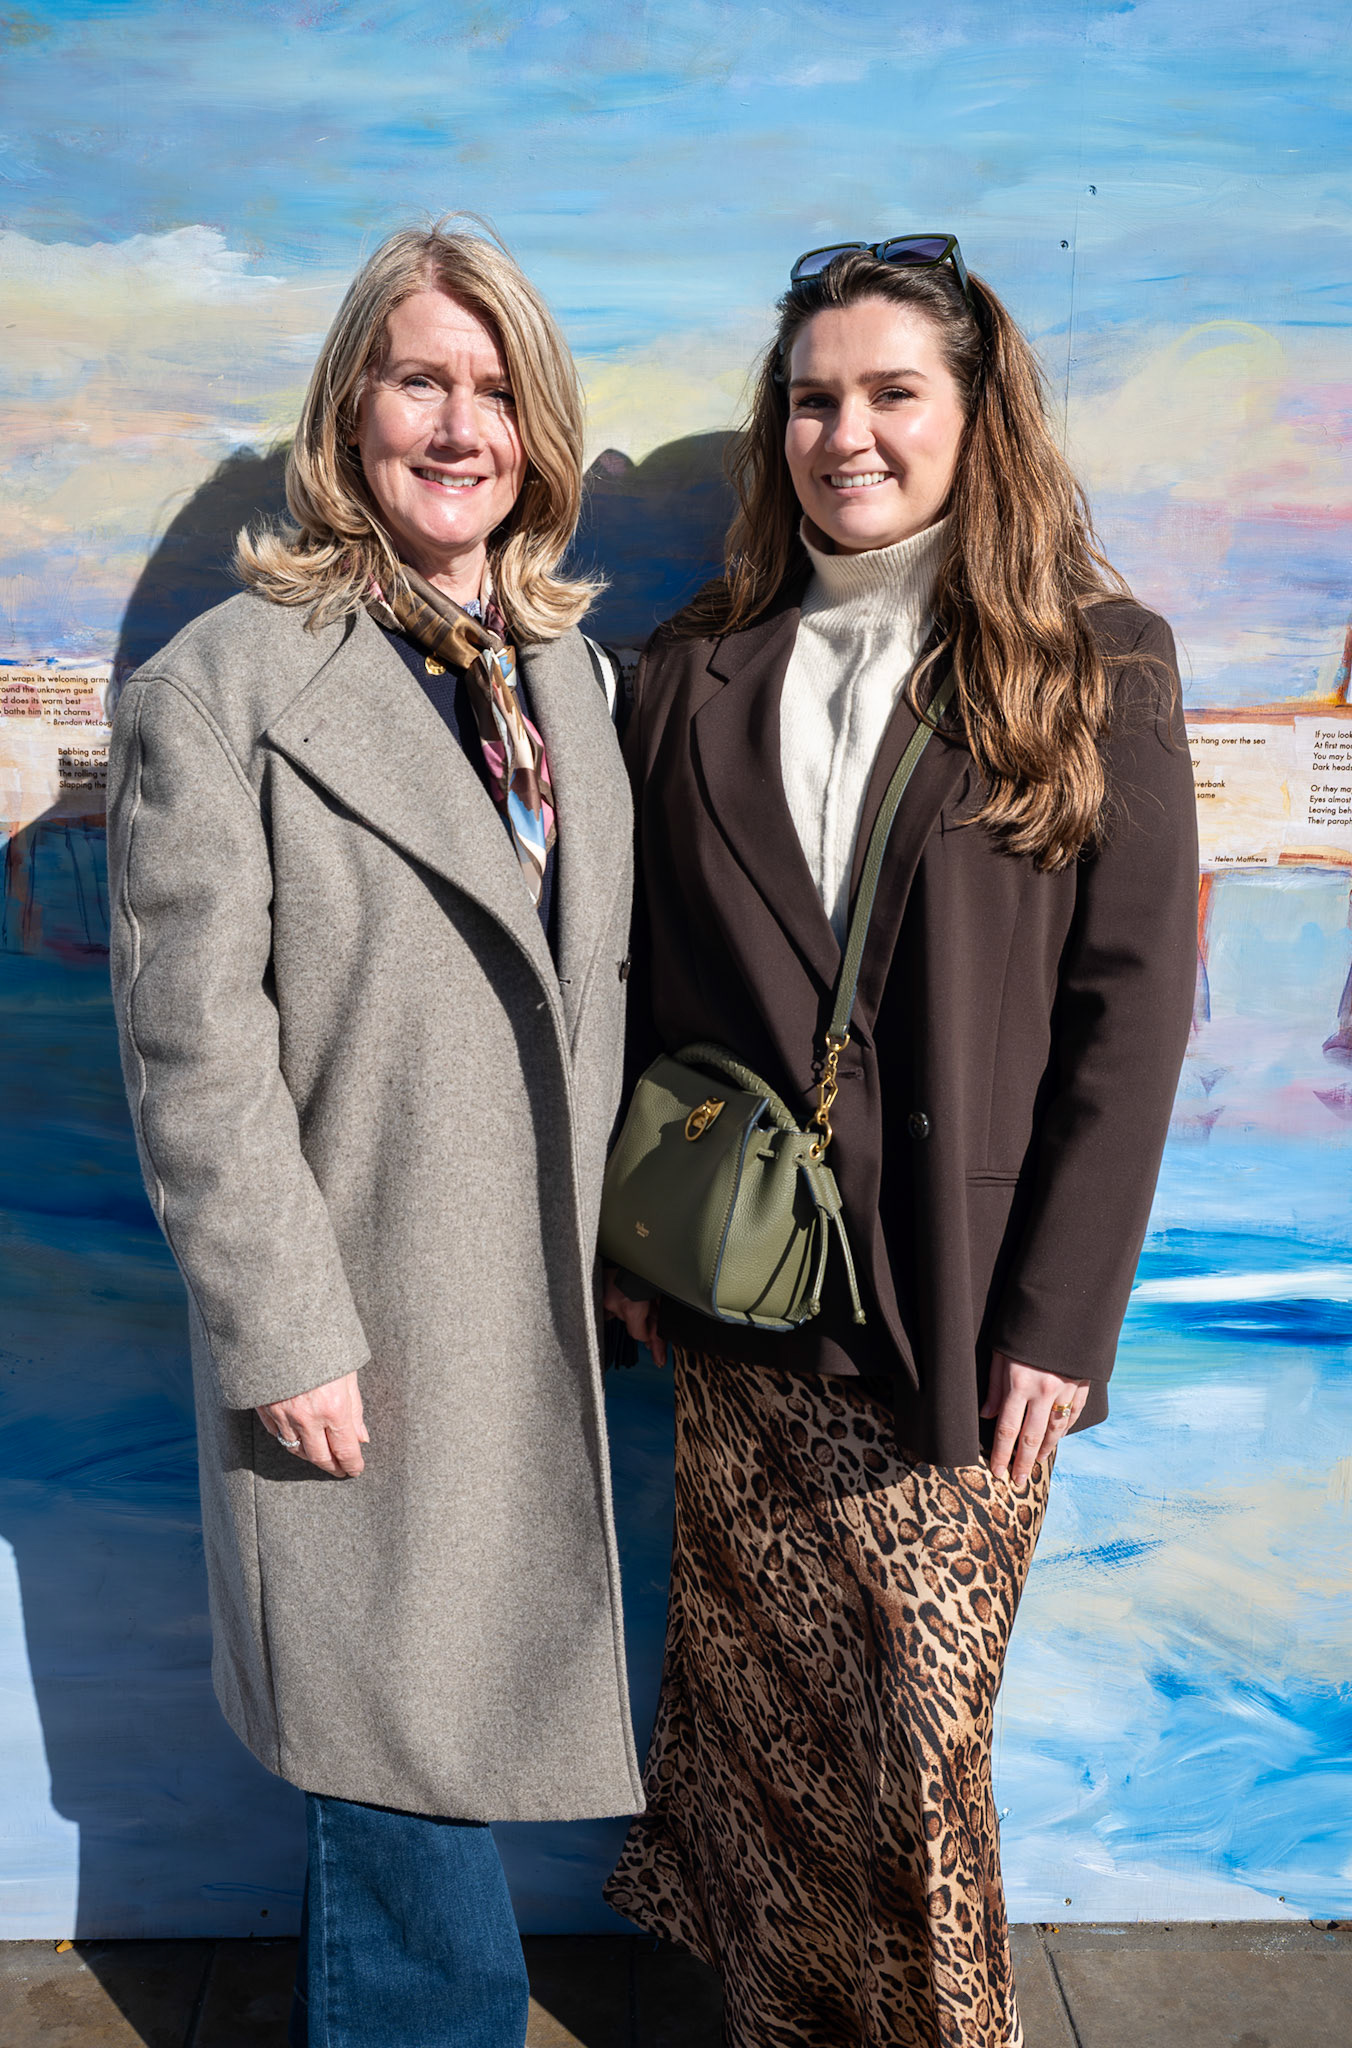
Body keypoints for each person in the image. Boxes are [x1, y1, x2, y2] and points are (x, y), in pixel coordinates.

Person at [603, 237, 1198, 2047]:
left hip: (962, 1311)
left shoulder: (1095, 660)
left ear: (970, 414)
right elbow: (646, 990)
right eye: (810, 398)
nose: (843, 433)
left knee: (918, 1758)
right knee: (769, 1741)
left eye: (888, 394)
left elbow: (1134, 1004)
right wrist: (632, 1250)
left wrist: (1064, 1322)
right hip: (744, 1303)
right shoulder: (693, 672)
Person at [107, 222, 641, 2048]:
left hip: (535, 1313)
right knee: (391, 1773)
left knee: (433, 1750)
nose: (459, 422)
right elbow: (193, 1050)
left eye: (496, 390)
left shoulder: (577, 680)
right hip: (359, 1328)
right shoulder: (223, 690)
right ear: (353, 403)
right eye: (423, 376)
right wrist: (282, 1333)